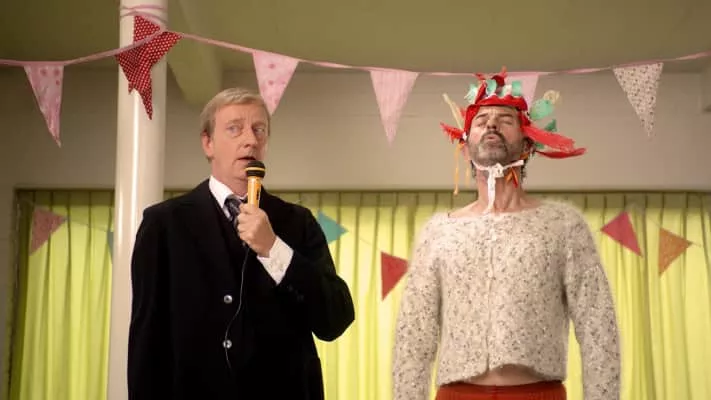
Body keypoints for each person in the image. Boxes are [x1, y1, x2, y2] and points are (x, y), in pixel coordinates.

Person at [392, 68, 620, 400]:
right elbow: (414, 336)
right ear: (465, 146)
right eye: (481, 120)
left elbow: (598, 327)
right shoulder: (438, 232)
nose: (492, 124)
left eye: (505, 119)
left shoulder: (563, 225)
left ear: (527, 144)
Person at [127, 87, 355, 400]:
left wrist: (275, 249)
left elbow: (336, 319)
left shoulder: (298, 222)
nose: (250, 140)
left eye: (259, 129)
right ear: (208, 143)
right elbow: (146, 342)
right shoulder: (163, 224)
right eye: (234, 129)